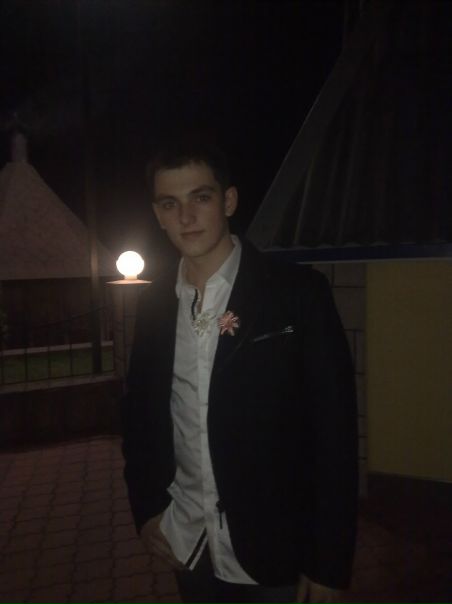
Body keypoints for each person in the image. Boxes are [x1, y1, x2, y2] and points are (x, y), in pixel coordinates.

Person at [121, 139, 358, 604]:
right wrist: (147, 508)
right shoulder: (154, 305)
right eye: (170, 204)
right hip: (187, 538)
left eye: (200, 197)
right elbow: (140, 415)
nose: (186, 216)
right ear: (158, 214)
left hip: (275, 545)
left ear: (228, 200)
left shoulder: (297, 293)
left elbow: (335, 434)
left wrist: (329, 560)